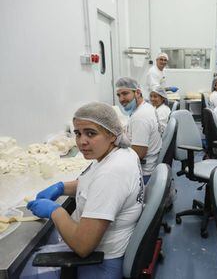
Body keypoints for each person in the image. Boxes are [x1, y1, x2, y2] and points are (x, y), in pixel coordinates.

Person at [21, 102, 144, 279]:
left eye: (91, 133)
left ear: (111, 134)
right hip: (108, 246)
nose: (81, 141)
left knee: (24, 268)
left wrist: (56, 211)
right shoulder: (119, 153)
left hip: (100, 260)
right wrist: (61, 187)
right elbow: (90, 183)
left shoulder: (112, 172)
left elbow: (83, 246)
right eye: (78, 133)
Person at [116, 77, 162, 184]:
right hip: (150, 164)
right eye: (119, 95)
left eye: (125, 93)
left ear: (137, 93)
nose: (121, 99)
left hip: (143, 174)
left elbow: (138, 154)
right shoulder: (146, 107)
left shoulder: (140, 117)